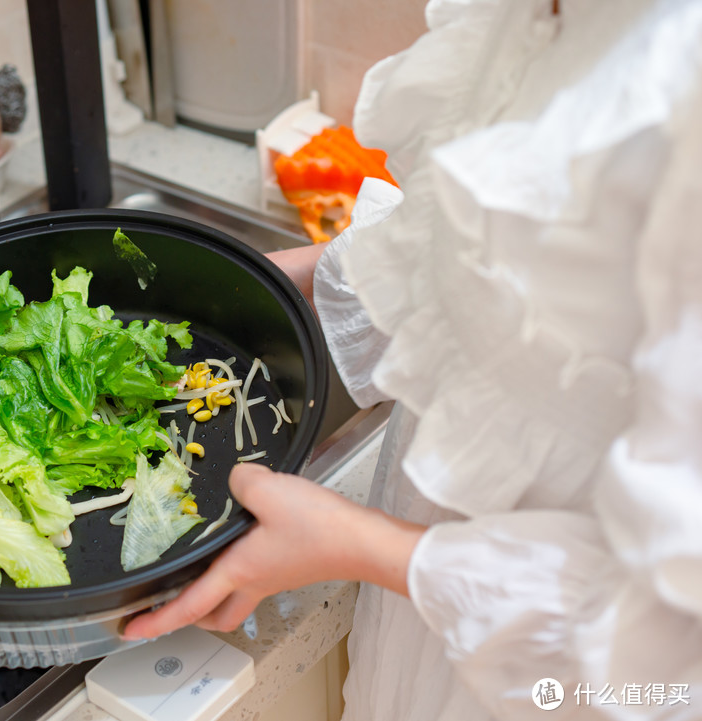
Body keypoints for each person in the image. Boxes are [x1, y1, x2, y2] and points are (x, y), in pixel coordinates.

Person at [123, 0, 702, 718]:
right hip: (420, 596)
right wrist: (266, 281)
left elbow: (675, 648)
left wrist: (355, 544)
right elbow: (493, 252)